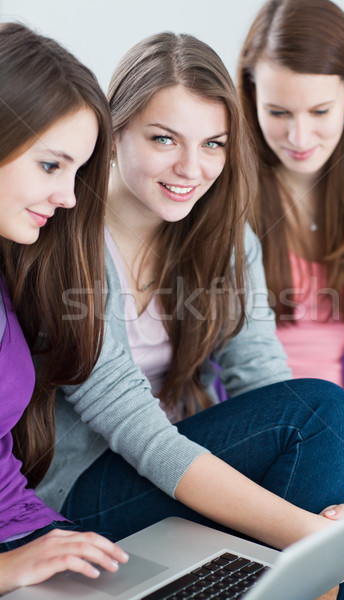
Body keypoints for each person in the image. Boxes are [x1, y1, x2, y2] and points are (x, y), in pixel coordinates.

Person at [35, 32, 344, 599]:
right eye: (163, 139)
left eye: (213, 144)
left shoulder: (225, 240)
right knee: (324, 410)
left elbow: (267, 380)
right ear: (113, 131)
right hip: (87, 493)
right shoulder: (65, 238)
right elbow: (138, 429)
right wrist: (316, 540)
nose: (191, 167)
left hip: (187, 461)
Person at [237, 0, 344, 536]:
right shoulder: (222, 191)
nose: (299, 138)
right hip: (271, 432)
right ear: (251, 94)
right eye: (279, 113)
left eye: (319, 112)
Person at [0, 23, 129, 596]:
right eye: (51, 166)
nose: (70, 196)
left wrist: (49, 536)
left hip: (26, 530)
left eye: (77, 171)